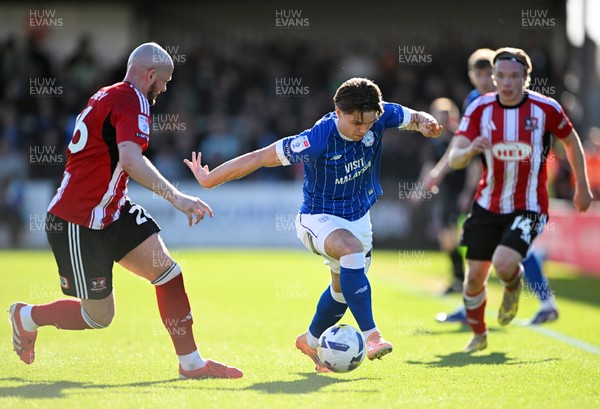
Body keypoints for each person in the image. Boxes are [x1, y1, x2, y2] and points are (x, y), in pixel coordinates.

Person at [8, 42, 243, 380]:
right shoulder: (132, 99)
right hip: (79, 220)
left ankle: (191, 364)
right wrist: (177, 198)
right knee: (99, 317)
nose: (164, 88)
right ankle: (27, 316)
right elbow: (131, 161)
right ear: (150, 75)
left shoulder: (109, 94)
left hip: (112, 210)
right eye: (164, 81)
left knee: (168, 273)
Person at [184, 77, 442, 371]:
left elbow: (413, 117)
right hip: (318, 218)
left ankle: (310, 338)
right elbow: (259, 158)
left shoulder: (380, 115)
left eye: (368, 123)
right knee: (350, 248)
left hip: (359, 217)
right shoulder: (317, 139)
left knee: (343, 291)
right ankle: (372, 336)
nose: (363, 129)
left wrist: (426, 123)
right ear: (338, 111)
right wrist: (209, 179)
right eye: (356, 122)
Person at [448, 47, 593, 352]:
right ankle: (479, 333)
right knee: (474, 277)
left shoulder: (546, 108)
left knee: (502, 263)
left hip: (529, 206)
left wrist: (582, 186)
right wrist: (471, 149)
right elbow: (456, 158)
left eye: (514, 76)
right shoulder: (479, 109)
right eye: (500, 76)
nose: (506, 82)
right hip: (487, 203)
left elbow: (571, 140)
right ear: (493, 77)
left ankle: (513, 285)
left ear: (527, 77)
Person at [436, 48, 561, 326]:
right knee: (485, 253)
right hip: (492, 190)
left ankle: (544, 302)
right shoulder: (477, 103)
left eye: (486, 74)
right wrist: (440, 172)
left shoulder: (517, 102)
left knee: (511, 252)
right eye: (478, 74)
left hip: (522, 190)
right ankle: (476, 307)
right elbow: (465, 150)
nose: (484, 80)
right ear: (473, 76)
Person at [417, 98, 469, 295]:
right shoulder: (434, 142)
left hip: (459, 193)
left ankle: (462, 280)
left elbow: (473, 167)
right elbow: (429, 168)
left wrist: (467, 192)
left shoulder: (460, 137)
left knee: (453, 237)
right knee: (445, 239)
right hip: (443, 194)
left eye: (446, 113)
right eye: (440, 113)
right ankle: (458, 279)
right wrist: (419, 191)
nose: (443, 117)